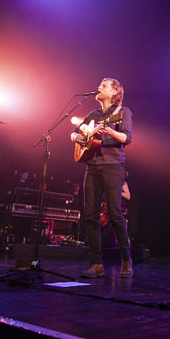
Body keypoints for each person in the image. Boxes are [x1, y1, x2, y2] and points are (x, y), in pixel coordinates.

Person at [71, 78, 134, 278]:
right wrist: (81, 136)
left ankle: (126, 260)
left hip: (113, 167)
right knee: (90, 216)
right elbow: (75, 133)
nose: (99, 87)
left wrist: (108, 130)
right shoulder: (93, 115)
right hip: (92, 166)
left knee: (115, 214)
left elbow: (127, 138)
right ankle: (96, 263)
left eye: (104, 86)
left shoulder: (122, 112)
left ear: (114, 92)